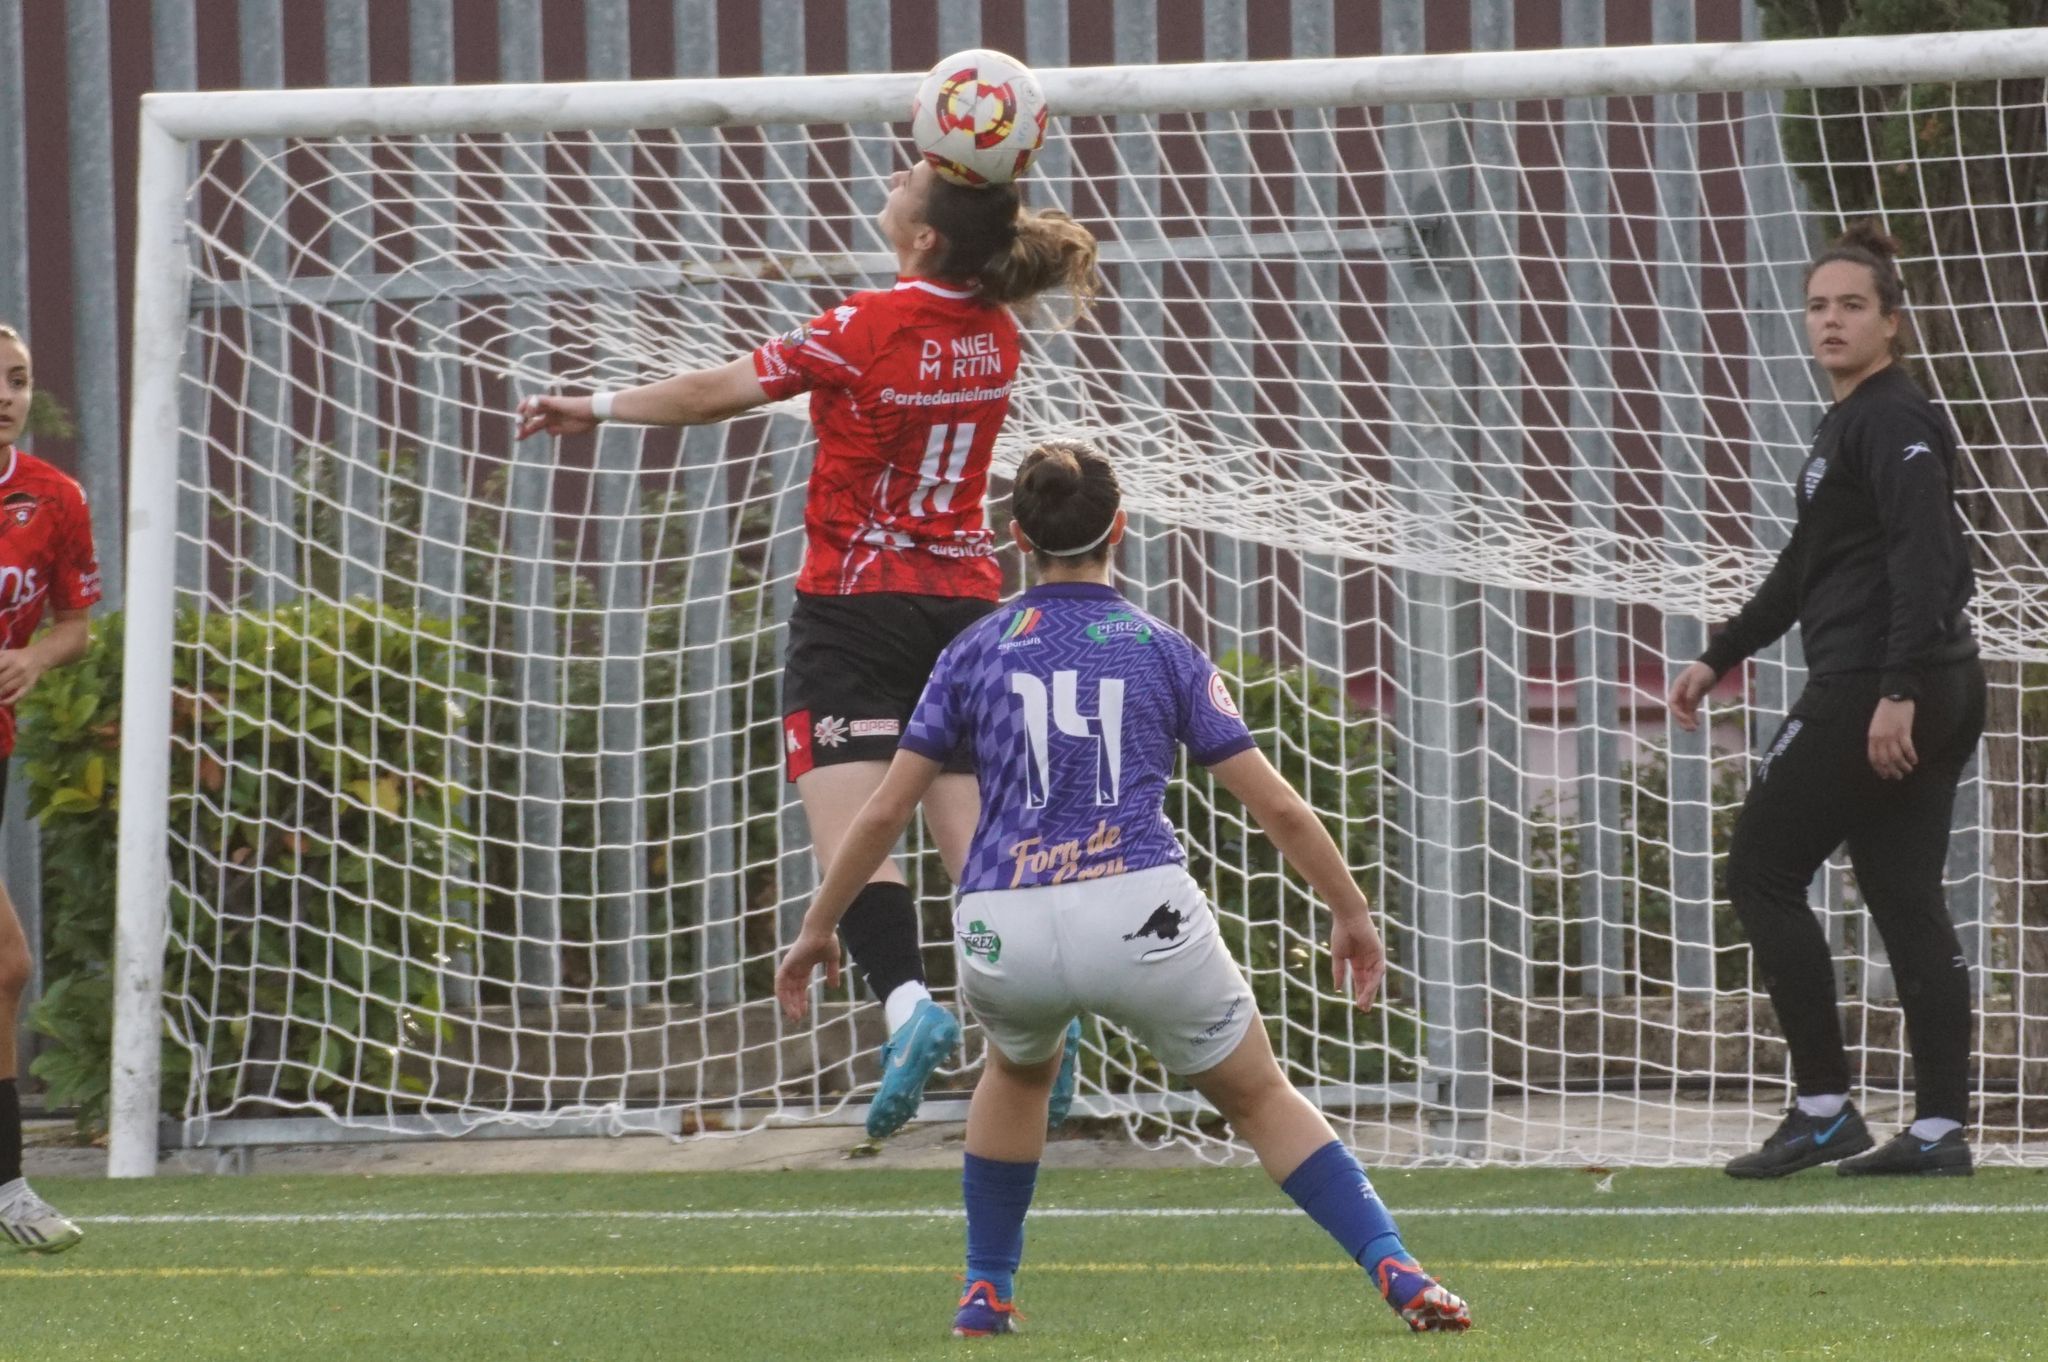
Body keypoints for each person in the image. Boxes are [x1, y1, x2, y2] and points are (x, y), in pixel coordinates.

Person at [776, 439, 1471, 1335]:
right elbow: (1281, 809)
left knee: (1019, 1069)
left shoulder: (972, 651)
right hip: (1139, 908)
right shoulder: (1161, 647)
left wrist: (818, 927)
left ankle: (987, 1289)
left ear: (1015, 536)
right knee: (1257, 1094)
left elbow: (877, 817)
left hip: (1003, 922)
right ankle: (1398, 1270)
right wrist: (1351, 912)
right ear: (1123, 530)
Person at [518, 162, 1098, 1138]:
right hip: (961, 605)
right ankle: (1036, 1023)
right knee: (973, 841)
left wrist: (598, 406)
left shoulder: (862, 325)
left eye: (910, 176)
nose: (893, 177)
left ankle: (909, 1010)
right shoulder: (997, 333)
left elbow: (713, 393)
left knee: (857, 826)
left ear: (922, 238)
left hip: (855, 605)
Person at [1668, 224, 1985, 1179]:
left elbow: (1925, 557)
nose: (1832, 320)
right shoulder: (1845, 423)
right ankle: (1937, 1131)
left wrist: (1895, 689)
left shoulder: (1891, 419)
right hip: (1923, 680)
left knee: (1762, 871)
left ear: (1893, 322)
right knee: (1900, 893)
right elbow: (1807, 568)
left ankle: (1823, 1108)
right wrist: (1722, 652)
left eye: (1853, 304)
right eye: (1819, 305)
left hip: (1883, 684)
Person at [0, 324, 101, 1251]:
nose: (6, 393)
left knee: (6, 971)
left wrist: (34, 656)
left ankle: (6, 1191)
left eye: (19, 379)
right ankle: (10, 1191)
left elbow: (76, 621)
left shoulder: (54, 497)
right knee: (8, 968)